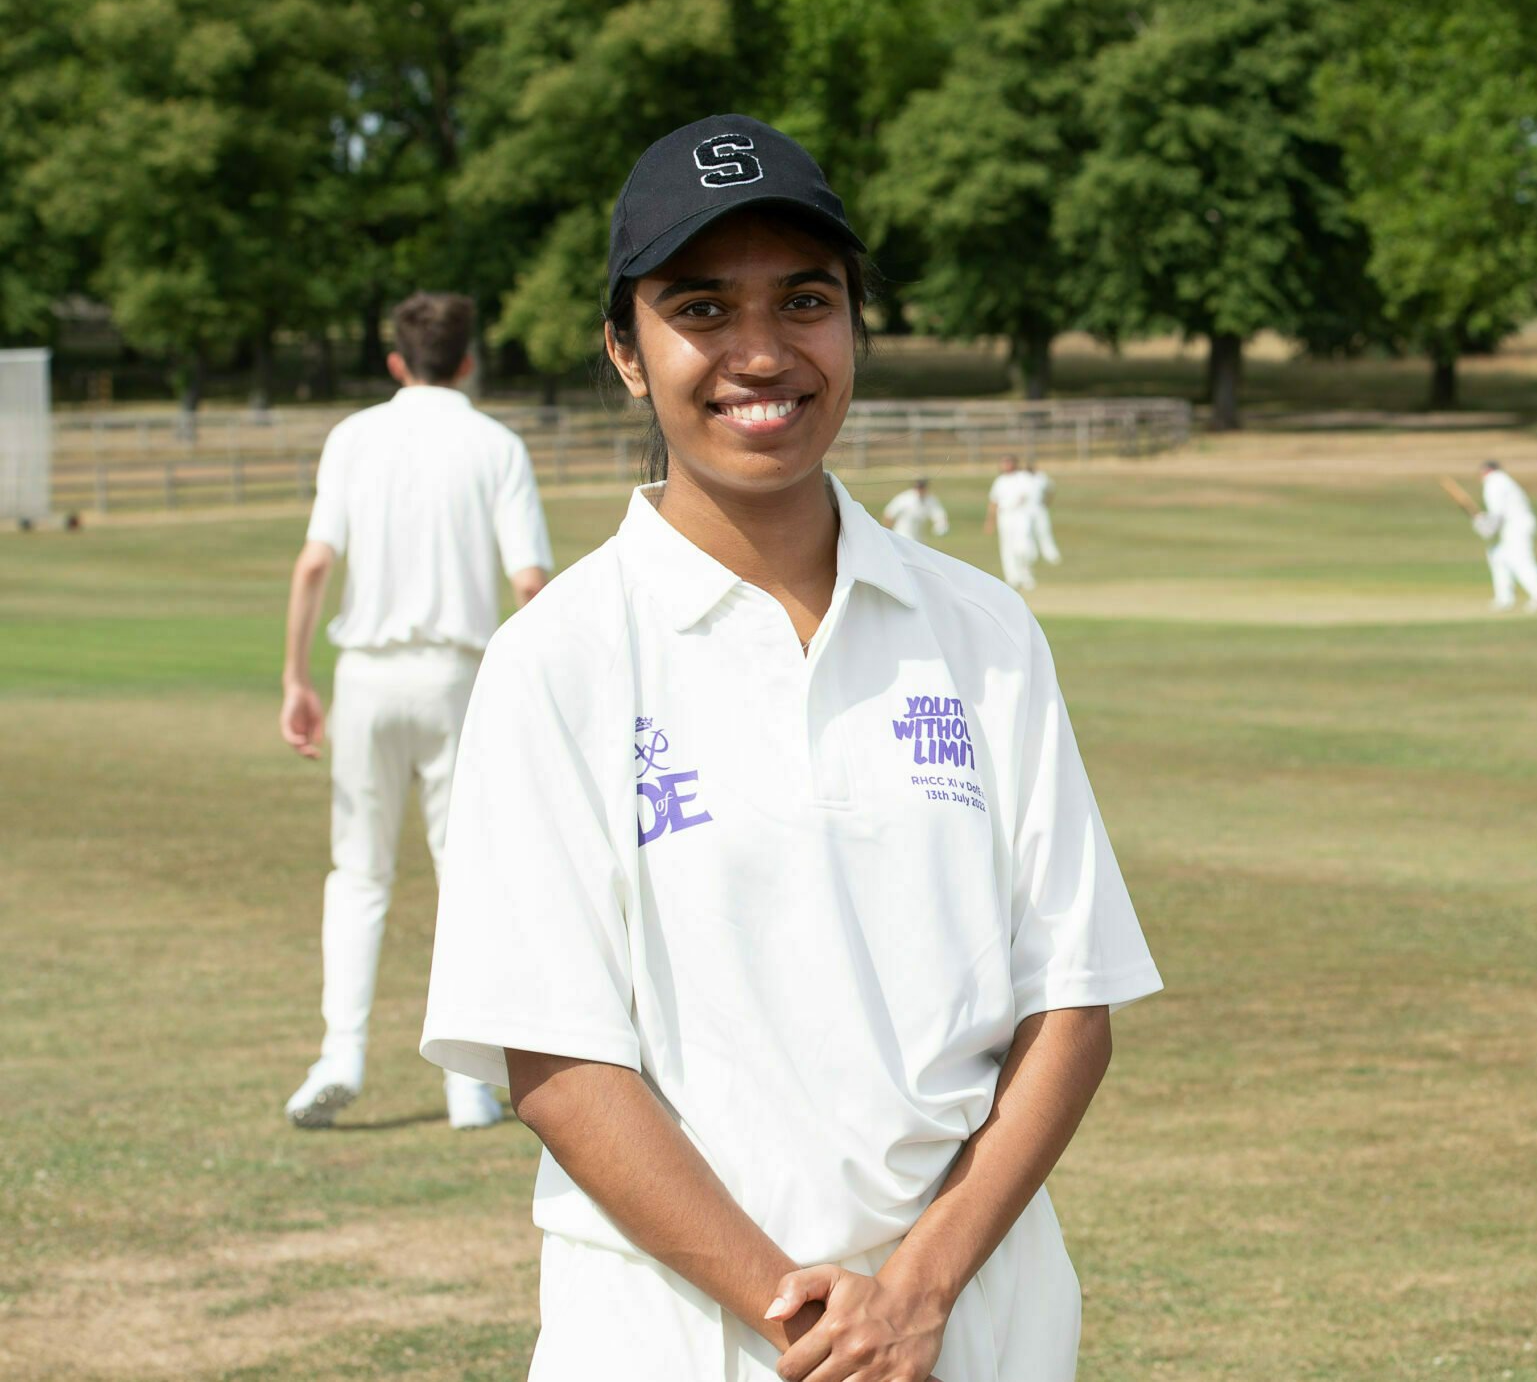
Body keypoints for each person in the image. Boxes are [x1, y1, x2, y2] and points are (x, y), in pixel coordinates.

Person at [420, 115, 1162, 1382]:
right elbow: (554, 1056)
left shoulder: (981, 629)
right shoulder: (559, 658)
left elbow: (1069, 1002)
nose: (760, 353)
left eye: (805, 300)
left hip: (973, 1321)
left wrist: (916, 1292)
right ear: (623, 348)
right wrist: (811, 1322)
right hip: (677, 1336)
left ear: (854, 327)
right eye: (700, 307)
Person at [280, 291, 553, 1131]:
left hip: (366, 677)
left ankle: (342, 1053)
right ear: (468, 360)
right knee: (463, 874)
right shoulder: (495, 444)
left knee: (358, 872)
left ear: (398, 363)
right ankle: (466, 1080)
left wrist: (297, 677)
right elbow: (532, 584)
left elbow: (315, 564)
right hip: (458, 680)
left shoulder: (354, 436)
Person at [1473, 459, 1537, 613]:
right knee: (1498, 556)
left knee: (1520, 559)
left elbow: (1497, 513)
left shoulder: (1494, 483)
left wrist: (1485, 525)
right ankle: (1504, 599)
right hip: (1515, 524)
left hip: (1516, 525)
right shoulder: (1504, 481)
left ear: (1486, 471)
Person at [985, 454, 1041, 591]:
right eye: (1003, 462)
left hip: (1021, 515)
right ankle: (1012, 578)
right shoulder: (999, 481)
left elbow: (1027, 495)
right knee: (1007, 548)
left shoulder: (1023, 477)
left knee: (1023, 547)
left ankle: (1026, 576)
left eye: (1008, 462)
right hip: (1004, 516)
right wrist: (990, 521)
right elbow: (994, 501)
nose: (1006, 465)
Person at [881, 476, 949, 543]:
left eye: (922, 487)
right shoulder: (904, 498)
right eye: (918, 487)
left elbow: (938, 514)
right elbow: (889, 514)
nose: (920, 490)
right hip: (902, 536)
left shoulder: (930, 499)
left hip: (919, 539)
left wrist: (940, 525)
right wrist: (887, 534)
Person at [1027, 462, 1061, 565]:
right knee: (1027, 533)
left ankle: (1051, 555)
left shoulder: (1041, 477)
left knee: (1044, 531)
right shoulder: (1022, 478)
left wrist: (1047, 502)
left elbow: (1051, 490)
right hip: (1026, 511)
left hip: (1040, 509)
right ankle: (1031, 555)